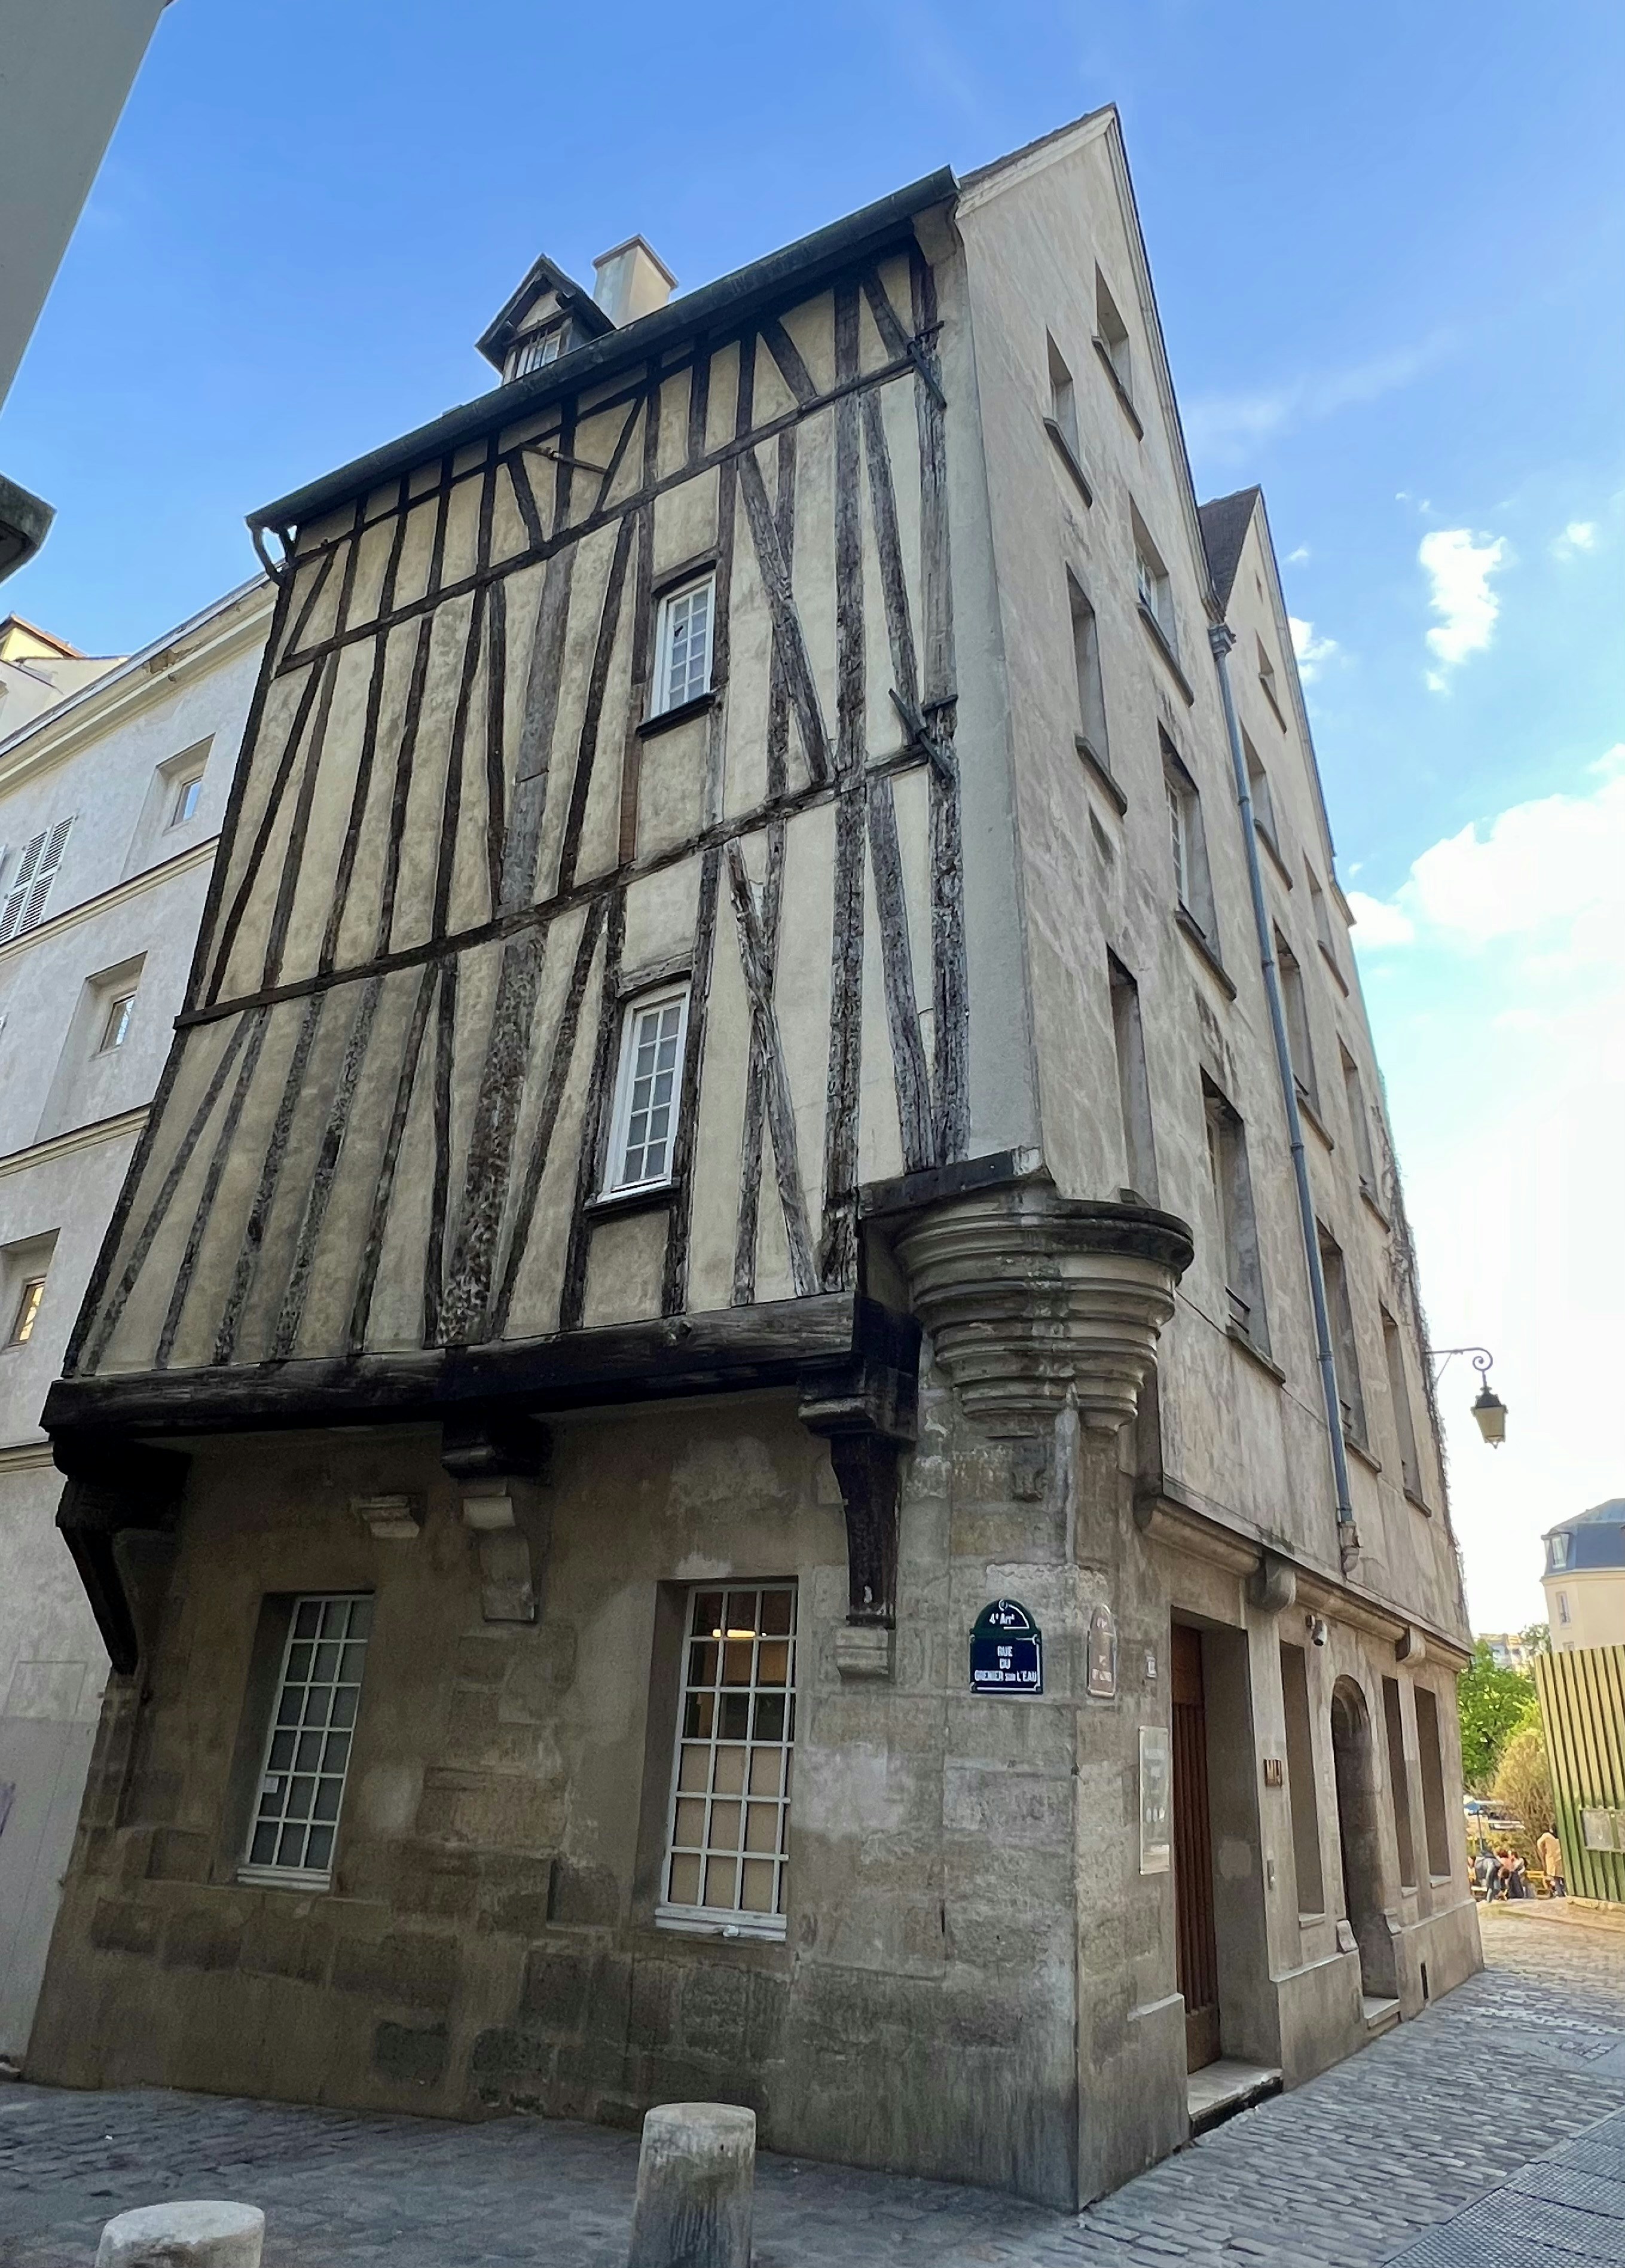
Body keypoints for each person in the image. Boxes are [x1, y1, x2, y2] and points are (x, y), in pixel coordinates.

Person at [1538, 1827, 1566, 1896]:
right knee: (1564, 1878)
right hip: (1562, 1859)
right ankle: (1567, 1891)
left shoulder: (1547, 1836)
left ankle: (1560, 1894)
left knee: (1556, 1878)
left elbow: (1539, 1843)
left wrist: (1543, 1852)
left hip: (1552, 1860)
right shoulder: (1562, 1837)